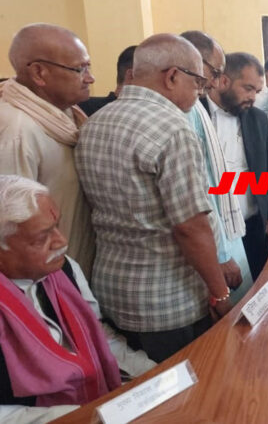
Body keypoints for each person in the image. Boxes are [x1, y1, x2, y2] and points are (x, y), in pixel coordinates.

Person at [75, 34, 234, 363]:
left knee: (141, 383)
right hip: (169, 302)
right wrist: (220, 293)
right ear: (172, 76)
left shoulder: (96, 122)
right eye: (197, 82)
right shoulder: (173, 129)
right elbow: (190, 227)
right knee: (188, 385)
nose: (200, 92)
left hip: (112, 289)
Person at [0, 175, 155, 423]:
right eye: (42, 238)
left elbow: (100, 336)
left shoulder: (65, 269)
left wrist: (152, 375)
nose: (61, 242)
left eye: (57, 226)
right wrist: (80, 415)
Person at [0, 23, 96, 279]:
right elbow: (14, 230)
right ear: (39, 73)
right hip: (45, 279)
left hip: (73, 269)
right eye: (80, 69)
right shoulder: (17, 131)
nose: (90, 78)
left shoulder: (67, 113)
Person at [204, 52, 268, 281]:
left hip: (253, 227)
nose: (253, 97)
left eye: (257, 90)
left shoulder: (257, 119)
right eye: (248, 88)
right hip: (213, 233)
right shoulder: (197, 114)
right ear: (224, 81)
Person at [180, 30, 252, 305]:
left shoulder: (193, 108)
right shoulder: (185, 112)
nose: (215, 81)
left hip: (230, 227)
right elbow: (199, 194)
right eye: (215, 72)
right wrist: (221, 255)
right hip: (213, 243)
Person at [78, 45, 136, 116]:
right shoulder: (79, 110)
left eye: (88, 67)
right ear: (131, 76)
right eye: (80, 69)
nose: (91, 79)